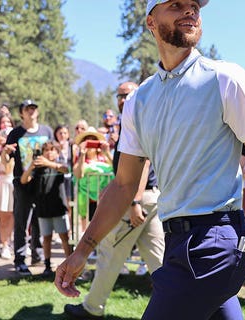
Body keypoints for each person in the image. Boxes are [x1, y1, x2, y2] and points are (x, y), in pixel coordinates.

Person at [55, 1, 245, 319]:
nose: (189, 11)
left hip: (214, 242)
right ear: (151, 22)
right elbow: (124, 185)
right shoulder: (138, 101)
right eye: (176, 5)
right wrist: (82, 250)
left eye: (194, 6)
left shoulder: (225, 79)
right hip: (177, 242)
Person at [64, 81, 165, 319]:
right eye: (119, 96)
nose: (122, 100)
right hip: (149, 199)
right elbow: (125, 174)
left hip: (138, 201)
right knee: (159, 261)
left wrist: (134, 203)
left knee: (109, 255)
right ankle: (184, 309)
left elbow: (144, 164)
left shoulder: (139, 122)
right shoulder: (134, 122)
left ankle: (92, 308)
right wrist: (113, 190)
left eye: (127, 95)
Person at [4, 99, 54, 275]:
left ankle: (37, 254)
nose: (31, 111)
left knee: (39, 221)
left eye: (34, 108)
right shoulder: (16, 133)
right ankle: (19, 260)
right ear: (21, 113)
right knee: (21, 222)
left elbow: (53, 153)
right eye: (27, 109)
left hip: (42, 183)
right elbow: (6, 160)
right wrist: (5, 152)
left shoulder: (46, 131)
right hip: (22, 183)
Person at [21, 141, 71, 276]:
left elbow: (65, 169)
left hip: (59, 208)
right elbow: (24, 180)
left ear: (58, 152)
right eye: (46, 150)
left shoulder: (58, 166)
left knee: (64, 237)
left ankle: (70, 265)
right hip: (43, 210)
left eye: (52, 150)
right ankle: (47, 265)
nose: (49, 153)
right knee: (46, 238)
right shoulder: (38, 170)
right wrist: (31, 166)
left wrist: (49, 163)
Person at [73, 127, 114, 232]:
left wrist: (107, 152)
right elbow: (78, 174)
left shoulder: (105, 158)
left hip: (104, 200)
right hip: (87, 201)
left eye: (93, 139)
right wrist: (82, 154)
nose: (90, 143)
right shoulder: (80, 160)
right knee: (87, 231)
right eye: (87, 140)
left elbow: (118, 169)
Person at [0, 114, 15, 259]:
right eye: (2, 122)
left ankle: (6, 244)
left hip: (11, 180)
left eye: (8, 122)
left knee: (8, 215)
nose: (5, 125)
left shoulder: (15, 143)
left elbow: (8, 167)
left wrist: (8, 150)